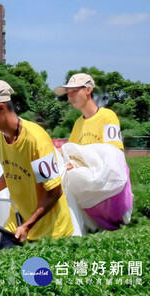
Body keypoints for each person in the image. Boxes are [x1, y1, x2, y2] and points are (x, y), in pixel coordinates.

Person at [0, 78, 74, 245]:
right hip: (16, 225)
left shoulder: (35, 141)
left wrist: (27, 226)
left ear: (1, 108)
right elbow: (15, 170)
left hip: (50, 233)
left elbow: (54, 192)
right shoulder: (0, 135)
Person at [54, 73, 133, 230]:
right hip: (89, 185)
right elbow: (72, 152)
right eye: (68, 93)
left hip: (109, 190)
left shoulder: (107, 116)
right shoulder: (78, 123)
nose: (70, 96)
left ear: (88, 90)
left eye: (74, 91)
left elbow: (114, 153)